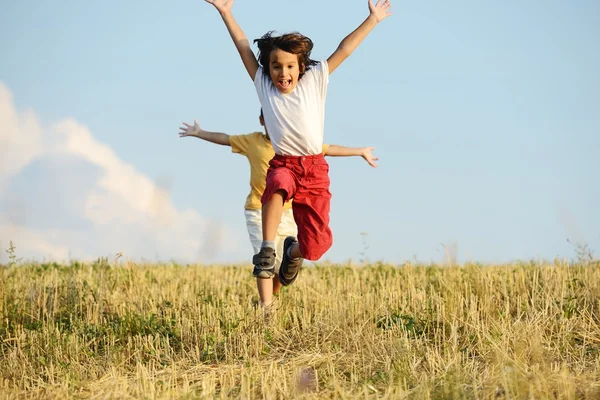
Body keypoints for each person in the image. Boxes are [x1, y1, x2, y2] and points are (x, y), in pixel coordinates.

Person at [205, 0, 392, 308]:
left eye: (290, 66)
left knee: (316, 246)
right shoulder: (263, 84)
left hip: (315, 168)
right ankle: (268, 250)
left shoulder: (315, 80)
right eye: (276, 66)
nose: (283, 73)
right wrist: (226, 13)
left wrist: (371, 20)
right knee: (276, 182)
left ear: (302, 67)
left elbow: (344, 50)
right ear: (269, 69)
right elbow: (243, 49)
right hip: (285, 164)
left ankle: (291, 252)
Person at [178, 110, 378, 299]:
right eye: (272, 118)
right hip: (258, 209)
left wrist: (359, 151)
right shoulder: (252, 141)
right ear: (262, 120)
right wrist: (199, 132)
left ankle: (273, 296)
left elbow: (327, 149)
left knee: (282, 263)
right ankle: (266, 307)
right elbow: (224, 138)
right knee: (265, 257)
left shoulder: (296, 144)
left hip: (289, 210)